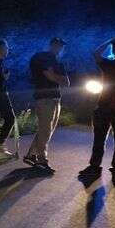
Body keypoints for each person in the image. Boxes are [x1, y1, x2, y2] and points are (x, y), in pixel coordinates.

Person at [78, 38, 115, 184]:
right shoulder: (110, 65)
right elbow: (95, 53)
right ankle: (98, 166)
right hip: (106, 107)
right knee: (102, 139)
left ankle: (112, 168)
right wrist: (110, 41)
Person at [26, 37, 70, 173]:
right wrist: (59, 78)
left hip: (54, 98)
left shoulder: (57, 61)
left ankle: (31, 155)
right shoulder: (43, 57)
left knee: (47, 129)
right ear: (51, 45)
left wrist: (57, 77)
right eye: (57, 45)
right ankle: (41, 160)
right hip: (45, 98)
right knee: (45, 129)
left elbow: (67, 82)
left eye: (61, 46)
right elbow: (50, 76)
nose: (60, 48)